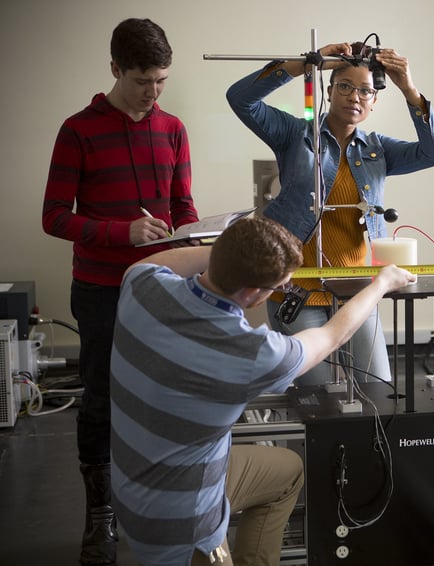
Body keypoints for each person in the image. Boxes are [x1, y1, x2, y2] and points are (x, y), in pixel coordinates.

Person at [109, 216, 415, 565]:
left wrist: (240, 250)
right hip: (181, 530)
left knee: (287, 471)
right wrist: (382, 283)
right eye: (278, 286)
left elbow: (151, 263)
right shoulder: (254, 353)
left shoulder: (142, 285)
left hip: (130, 486)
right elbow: (332, 336)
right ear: (253, 293)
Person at [41, 18, 198, 565]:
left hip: (162, 285)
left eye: (161, 81)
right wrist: (120, 232)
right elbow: (54, 217)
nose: (152, 93)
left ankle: (157, 503)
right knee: (103, 397)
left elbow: (184, 208)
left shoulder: (173, 128)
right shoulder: (76, 130)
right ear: (114, 69)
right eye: (141, 81)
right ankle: (100, 516)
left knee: (162, 395)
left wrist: (194, 243)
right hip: (101, 289)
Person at [226, 40, 434, 386]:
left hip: (358, 292)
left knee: (379, 391)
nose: (354, 96)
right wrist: (307, 64)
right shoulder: (295, 134)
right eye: (344, 86)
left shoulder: (379, 149)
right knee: (319, 403)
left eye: (365, 91)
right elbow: (240, 98)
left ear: (374, 102)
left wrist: (408, 88)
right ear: (329, 90)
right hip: (299, 291)